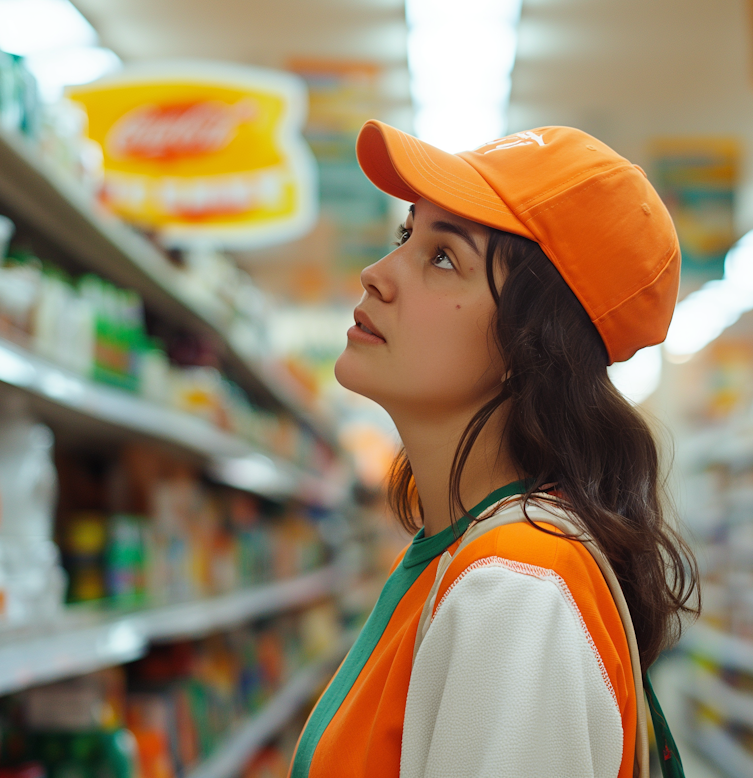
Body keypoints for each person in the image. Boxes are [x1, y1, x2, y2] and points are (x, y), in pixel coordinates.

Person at [289, 121, 700, 778]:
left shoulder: (517, 588)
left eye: (443, 257)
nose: (376, 273)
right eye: (407, 235)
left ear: (529, 346)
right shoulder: (465, 551)